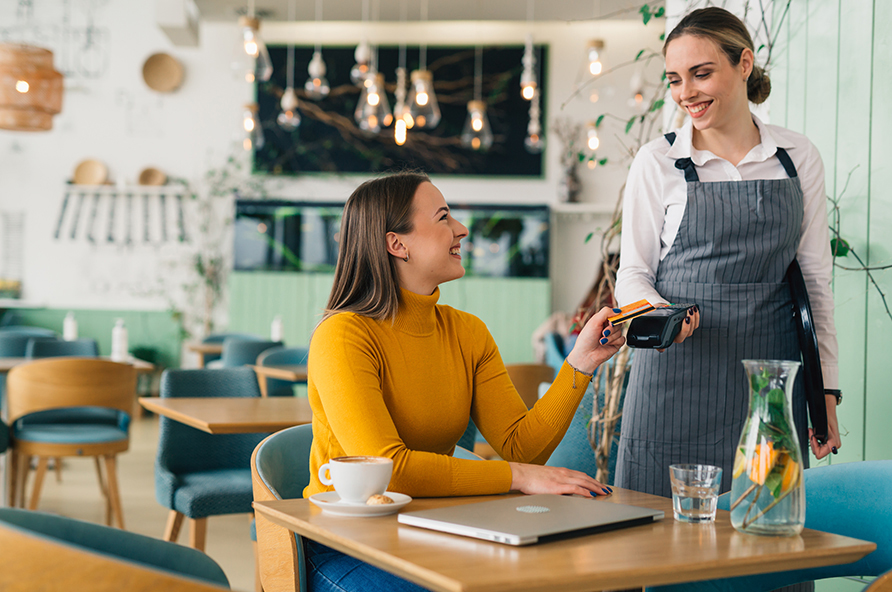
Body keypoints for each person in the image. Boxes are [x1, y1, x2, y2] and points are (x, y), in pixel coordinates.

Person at [304, 172, 625, 592]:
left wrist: (580, 362)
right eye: (443, 218)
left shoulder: (467, 332)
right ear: (397, 244)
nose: (462, 229)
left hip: (436, 530)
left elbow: (521, 446)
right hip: (347, 546)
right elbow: (388, 471)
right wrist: (516, 477)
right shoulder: (343, 335)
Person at [613, 7, 841, 500]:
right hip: (674, 378)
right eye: (675, 79)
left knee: (765, 543)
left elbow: (815, 283)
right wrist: (662, 315)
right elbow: (632, 272)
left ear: (743, 64)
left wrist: (825, 395)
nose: (685, 93)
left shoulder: (797, 158)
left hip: (769, 386)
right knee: (658, 548)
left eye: (701, 73)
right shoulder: (659, 161)